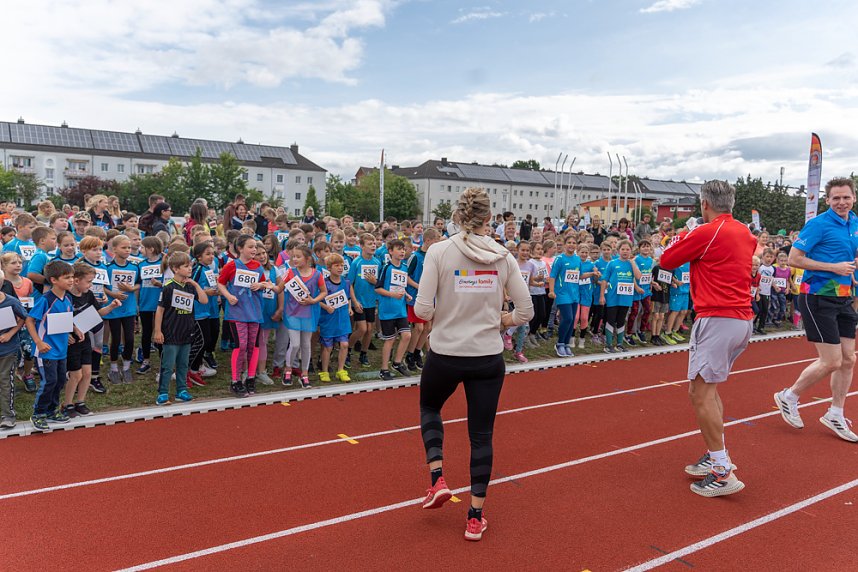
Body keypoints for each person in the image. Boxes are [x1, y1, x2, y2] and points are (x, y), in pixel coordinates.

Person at [415, 186, 533, 542]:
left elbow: (421, 310)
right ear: (488, 219)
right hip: (486, 357)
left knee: (430, 407)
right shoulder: (503, 257)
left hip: (446, 354)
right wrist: (504, 321)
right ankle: (474, 516)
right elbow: (525, 311)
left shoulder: (438, 251)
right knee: (481, 436)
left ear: (456, 216)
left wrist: (446, 315)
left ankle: (437, 478)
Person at [660, 180, 756, 497]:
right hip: (739, 319)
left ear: (704, 204)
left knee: (700, 395)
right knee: (704, 390)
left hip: (717, 318)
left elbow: (666, 260)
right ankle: (718, 456)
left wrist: (686, 237)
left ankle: (721, 470)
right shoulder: (744, 231)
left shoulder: (707, 231)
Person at [775, 177, 858, 443]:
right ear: (828, 200)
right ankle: (789, 395)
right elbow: (794, 259)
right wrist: (833, 268)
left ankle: (835, 412)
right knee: (832, 361)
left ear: (853, 197)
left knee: (849, 359)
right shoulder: (817, 224)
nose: (842, 202)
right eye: (836, 198)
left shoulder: (854, 223)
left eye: (846, 197)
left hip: (845, 296)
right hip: (817, 297)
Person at [26, 260, 78, 432]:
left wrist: (74, 330)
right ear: (54, 280)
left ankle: (51, 411)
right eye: (67, 277)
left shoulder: (68, 298)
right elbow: (30, 320)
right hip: (46, 351)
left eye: (72, 277)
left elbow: (66, 318)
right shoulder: (46, 300)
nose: (71, 280)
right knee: (50, 381)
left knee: (60, 380)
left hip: (62, 349)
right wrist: (39, 342)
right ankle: (38, 413)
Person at [153, 252, 209, 406]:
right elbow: (160, 310)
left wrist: (196, 284)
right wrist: (158, 331)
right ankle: (163, 393)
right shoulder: (168, 287)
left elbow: (204, 300)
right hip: (171, 332)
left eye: (190, 265)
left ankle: (181, 390)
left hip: (187, 332)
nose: (190, 268)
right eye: (186, 266)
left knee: (183, 364)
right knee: (168, 365)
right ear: (175, 269)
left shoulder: (190, 287)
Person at [0, 268, 27, 429]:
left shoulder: (11, 302)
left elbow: (24, 318)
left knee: (5, 381)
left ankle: (7, 415)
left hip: (7, 350)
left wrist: (10, 333)